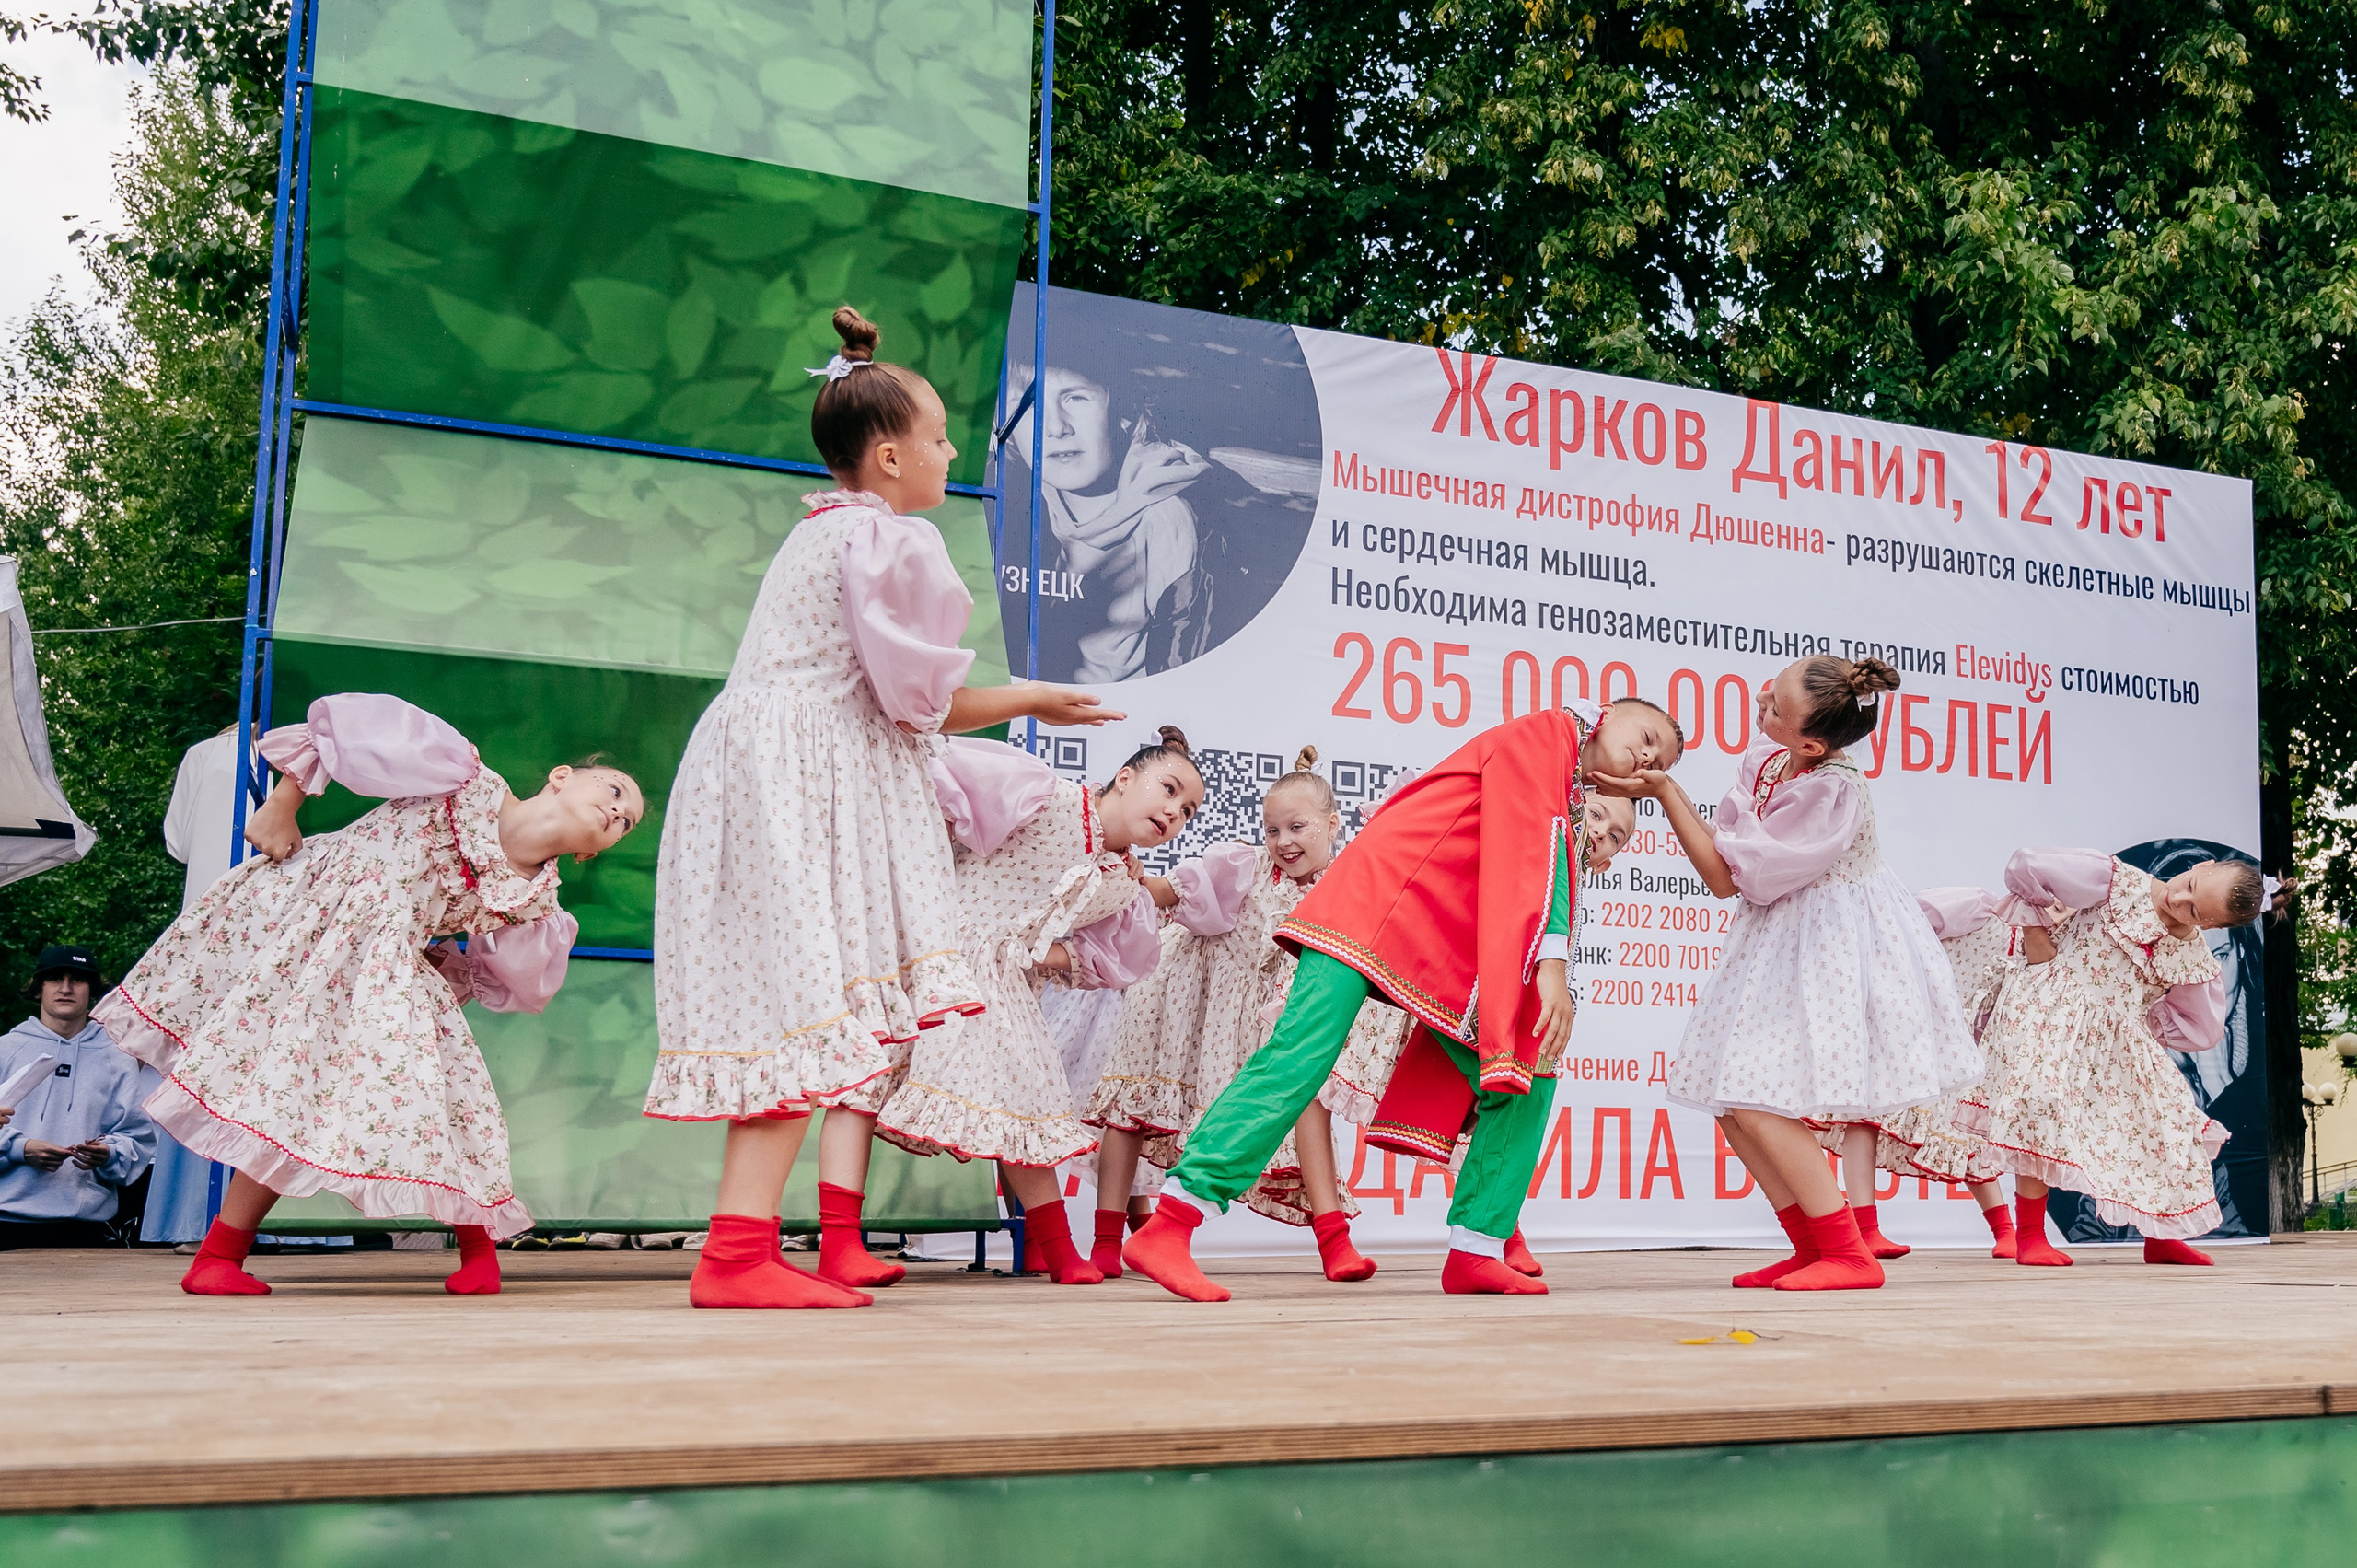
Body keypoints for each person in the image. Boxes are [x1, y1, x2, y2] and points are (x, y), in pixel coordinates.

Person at [649, 306, 1123, 1311]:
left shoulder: (822, 532)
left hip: (763, 767)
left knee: (796, 1005)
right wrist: (1033, 696)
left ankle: (739, 1246)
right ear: (892, 455)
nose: (953, 452)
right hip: (793, 780)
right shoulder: (886, 537)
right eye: (942, 436)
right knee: (806, 1006)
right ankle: (734, 1257)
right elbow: (925, 702)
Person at [1122, 698, 1685, 1302]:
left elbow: (1538, 864)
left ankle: (1477, 1247)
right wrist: (1551, 966)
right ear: (1606, 713)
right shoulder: (1547, 732)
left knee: (1530, 1068)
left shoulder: (1567, 788)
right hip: (1375, 903)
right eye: (1647, 735)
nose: (1649, 757)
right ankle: (1172, 1222)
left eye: (1661, 761)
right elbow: (1528, 848)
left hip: (1431, 941)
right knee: (1300, 1055)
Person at [93, 695, 637, 1295]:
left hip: (383, 967)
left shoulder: (534, 903)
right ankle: (219, 1255)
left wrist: (439, 962)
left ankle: (479, 1252)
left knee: (454, 1097)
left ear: (591, 852)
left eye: (627, 820)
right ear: (561, 776)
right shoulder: (462, 776)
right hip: (312, 919)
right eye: (614, 790)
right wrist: (281, 805)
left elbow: (513, 977)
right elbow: (343, 730)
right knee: (290, 1089)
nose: (617, 809)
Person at [1616, 656, 1982, 1292]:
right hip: (1779, 940)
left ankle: (1848, 1253)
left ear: (1812, 743)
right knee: (1732, 1102)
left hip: (1827, 949)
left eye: (1774, 707)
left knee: (1758, 1099)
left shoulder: (1831, 791)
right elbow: (1733, 845)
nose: (1760, 703)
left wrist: (1667, 792)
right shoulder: (1776, 757)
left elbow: (1727, 877)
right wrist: (1673, 789)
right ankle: (1813, 1245)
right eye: (1771, 691)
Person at [865, 730, 1200, 1285]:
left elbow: (1117, 956)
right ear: (1125, 777)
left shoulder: (1123, 884)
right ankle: (835, 1239)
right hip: (937, 954)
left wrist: (1040, 954)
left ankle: (1056, 1248)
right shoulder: (1046, 797)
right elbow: (935, 785)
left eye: (1187, 810)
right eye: (1169, 789)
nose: (1174, 812)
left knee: (1027, 1102)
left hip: (1005, 984)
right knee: (865, 1084)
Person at [1081, 746, 1391, 1282]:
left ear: (1333, 824)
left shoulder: (1349, 884)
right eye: (1272, 830)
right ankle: (1105, 1241)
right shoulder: (1246, 869)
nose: (1283, 841)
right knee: (1136, 1099)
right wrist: (1130, 880)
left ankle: (1335, 1241)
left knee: (1307, 1098)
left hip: (1263, 1014)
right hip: (1183, 993)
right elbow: (1170, 893)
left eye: (1297, 827)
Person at [1958, 847, 2261, 1267]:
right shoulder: (2116, 883)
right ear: (2202, 866)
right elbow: (2028, 865)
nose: (2178, 899)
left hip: (2117, 1041)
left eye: (2195, 911)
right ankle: (2029, 1235)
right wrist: (2037, 932)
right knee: (2040, 1108)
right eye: (2189, 886)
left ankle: (2162, 1235)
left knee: (2165, 1123)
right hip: (2054, 1013)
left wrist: (2141, 1021)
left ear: (2211, 925)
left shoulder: (2192, 956)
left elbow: (2204, 1027)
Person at [1808, 888, 2022, 1263]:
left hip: (1958, 1046)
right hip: (1905, 1021)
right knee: (1867, 1115)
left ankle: (2006, 1231)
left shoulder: (2039, 947)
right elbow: (1900, 923)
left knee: (1964, 1134)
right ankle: (1866, 1228)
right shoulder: (1980, 908)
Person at [1010, 364, 1212, 682]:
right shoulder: (1019, 498)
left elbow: (1180, 663)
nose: (1056, 427)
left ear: (1123, 410)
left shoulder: (1163, 518)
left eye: (1076, 398)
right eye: (1028, 403)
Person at [0, 946, 156, 1249]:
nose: (66, 988)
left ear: (93, 991)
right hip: (7, 1220)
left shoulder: (119, 1058)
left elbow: (137, 1139)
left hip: (87, 1227)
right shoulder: (5, 1050)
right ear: (38, 989)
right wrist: (21, 1149)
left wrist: (108, 1153)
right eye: (55, 979)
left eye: (78, 980)